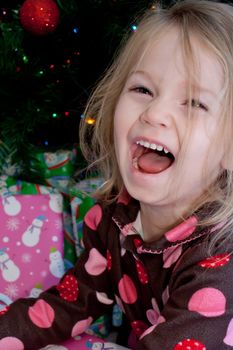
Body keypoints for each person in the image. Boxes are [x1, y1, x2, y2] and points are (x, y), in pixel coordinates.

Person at [1, 0, 233, 349]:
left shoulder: (221, 263)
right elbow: (68, 304)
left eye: (194, 103)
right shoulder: (115, 218)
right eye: (142, 90)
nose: (155, 113)